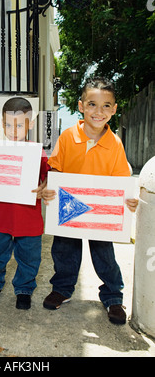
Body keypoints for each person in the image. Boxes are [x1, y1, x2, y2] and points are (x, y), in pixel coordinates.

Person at [42, 77, 138, 324]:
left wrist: (129, 201)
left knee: (104, 255)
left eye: (106, 106)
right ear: (81, 106)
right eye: (92, 104)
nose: (99, 111)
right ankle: (62, 289)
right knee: (64, 251)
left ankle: (113, 296)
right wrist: (49, 187)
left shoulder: (115, 144)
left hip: (100, 214)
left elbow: (121, 183)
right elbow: (55, 171)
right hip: (68, 209)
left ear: (114, 109)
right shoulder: (67, 137)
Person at [0, 97, 51, 310]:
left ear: (29, 125)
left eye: (19, 125)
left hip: (28, 218)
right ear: (2, 125)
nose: (13, 130)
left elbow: (49, 176)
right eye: (8, 125)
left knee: (29, 258)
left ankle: (24, 288)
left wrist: (46, 184)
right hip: (2, 217)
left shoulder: (37, 151)